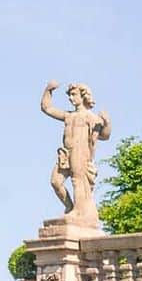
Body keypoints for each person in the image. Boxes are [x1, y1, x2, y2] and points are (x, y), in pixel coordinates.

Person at [41, 82, 109, 220]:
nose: (71, 98)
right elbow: (46, 108)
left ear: (83, 96)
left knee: (77, 181)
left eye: (74, 95)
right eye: (70, 95)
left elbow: (105, 136)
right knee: (55, 181)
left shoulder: (90, 117)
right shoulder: (68, 115)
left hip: (81, 152)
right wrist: (48, 90)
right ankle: (69, 207)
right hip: (66, 152)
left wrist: (107, 123)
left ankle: (78, 212)